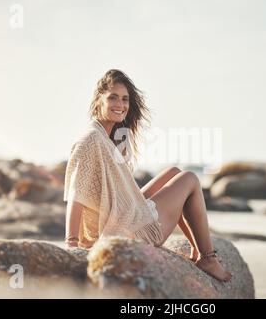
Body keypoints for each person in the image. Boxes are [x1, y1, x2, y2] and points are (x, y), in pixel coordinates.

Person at [64, 69, 232, 282]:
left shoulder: (104, 136)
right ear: (99, 100)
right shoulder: (91, 140)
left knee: (174, 173)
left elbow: (121, 191)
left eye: (125, 99)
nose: (120, 104)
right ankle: (208, 257)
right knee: (190, 179)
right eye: (113, 97)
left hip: (121, 215)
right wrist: (71, 243)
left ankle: (197, 250)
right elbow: (76, 194)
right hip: (128, 231)